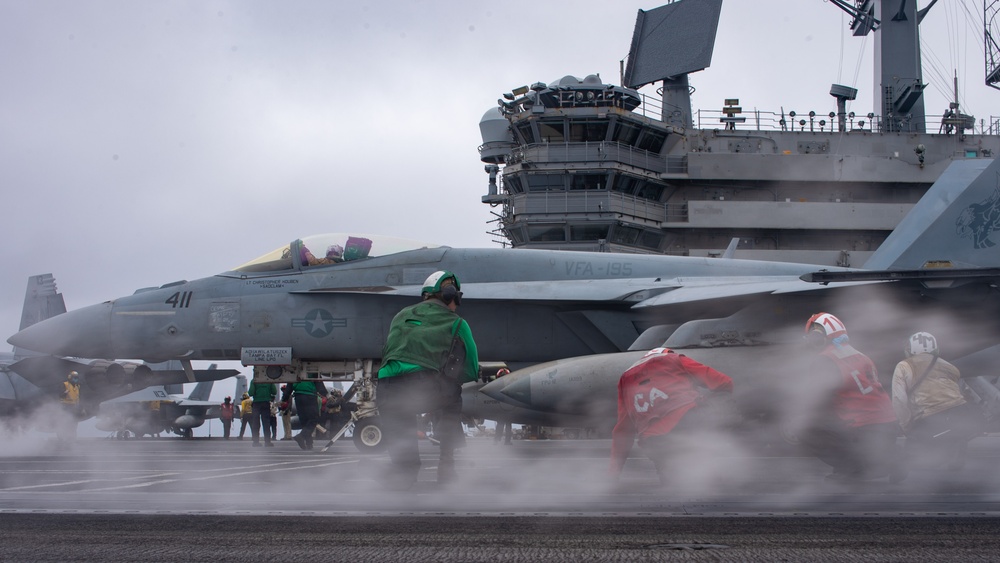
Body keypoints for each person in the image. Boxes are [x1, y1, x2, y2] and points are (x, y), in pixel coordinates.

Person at [376, 270, 479, 489]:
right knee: (452, 397)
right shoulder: (457, 323)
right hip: (423, 387)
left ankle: (404, 475)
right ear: (450, 295)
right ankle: (447, 466)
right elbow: (471, 367)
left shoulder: (401, 315)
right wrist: (454, 378)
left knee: (399, 420)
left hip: (385, 387)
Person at [799, 312, 905, 483]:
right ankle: (889, 459)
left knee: (807, 430)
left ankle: (852, 468)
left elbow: (819, 400)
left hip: (863, 427)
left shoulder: (826, 359)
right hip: (887, 423)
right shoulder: (859, 354)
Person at [609, 347, 734, 484]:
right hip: (688, 424)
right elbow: (724, 382)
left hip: (654, 442)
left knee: (672, 488)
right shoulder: (675, 359)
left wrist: (613, 473)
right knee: (710, 481)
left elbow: (623, 431)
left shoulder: (625, 378)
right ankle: (718, 468)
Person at [891, 332, 985, 469]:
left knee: (912, 453)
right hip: (960, 411)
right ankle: (957, 457)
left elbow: (899, 399)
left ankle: (902, 468)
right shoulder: (950, 367)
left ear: (910, 349)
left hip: (929, 416)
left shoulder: (903, 366)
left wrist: (906, 425)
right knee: (957, 430)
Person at [282, 380, 328, 450]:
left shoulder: (294, 370)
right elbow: (318, 380)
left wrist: (285, 397)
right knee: (314, 419)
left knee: (304, 420)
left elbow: (290, 383)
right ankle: (301, 436)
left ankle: (309, 443)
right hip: (310, 396)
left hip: (298, 397)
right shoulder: (311, 369)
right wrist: (325, 394)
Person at [492, 369, 514, 446]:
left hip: (502, 409)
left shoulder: (496, 385)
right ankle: (506, 441)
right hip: (507, 408)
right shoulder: (510, 385)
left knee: (501, 425)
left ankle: (497, 440)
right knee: (507, 426)